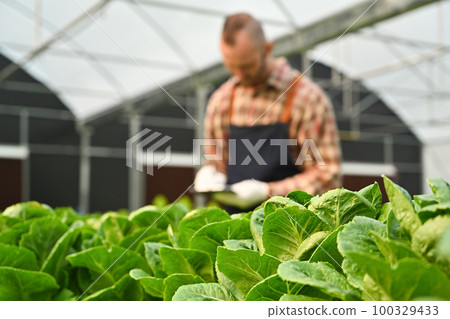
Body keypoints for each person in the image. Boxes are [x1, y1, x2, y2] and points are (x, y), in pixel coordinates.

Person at [194, 13, 341, 212]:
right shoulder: (221, 101)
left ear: (267, 49)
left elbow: (328, 176)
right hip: (234, 232)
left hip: (293, 230)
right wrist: (212, 173)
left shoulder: (306, 99)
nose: (239, 74)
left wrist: (269, 191)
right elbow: (217, 160)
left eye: (247, 66)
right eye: (231, 66)